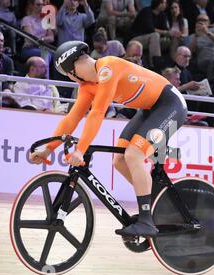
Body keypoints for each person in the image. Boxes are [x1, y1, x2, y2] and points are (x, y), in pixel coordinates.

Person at [28, 41, 188, 237]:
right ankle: (158, 202)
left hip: (170, 104)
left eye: (68, 75)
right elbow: (72, 118)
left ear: (73, 71)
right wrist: (48, 149)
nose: (72, 79)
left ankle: (146, 221)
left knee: (134, 155)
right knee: (119, 160)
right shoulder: (88, 87)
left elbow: (97, 113)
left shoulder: (108, 67)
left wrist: (80, 150)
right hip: (149, 109)